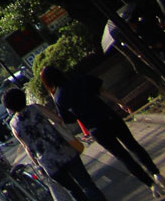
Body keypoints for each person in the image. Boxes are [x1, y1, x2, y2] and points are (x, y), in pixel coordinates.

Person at [43, 62, 164, 196]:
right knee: (133, 145)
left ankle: (151, 185)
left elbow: (68, 119)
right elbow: (102, 91)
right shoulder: (80, 79)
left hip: (96, 129)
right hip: (109, 117)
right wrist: (120, 103)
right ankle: (155, 173)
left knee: (123, 157)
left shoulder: (59, 97)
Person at [4, 87, 108, 201]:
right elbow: (58, 120)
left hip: (49, 163)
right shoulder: (35, 108)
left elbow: (26, 147)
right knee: (87, 184)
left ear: (10, 107)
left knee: (74, 191)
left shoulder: (13, 124)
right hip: (64, 150)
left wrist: (38, 166)